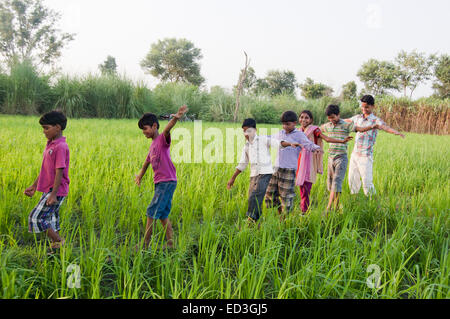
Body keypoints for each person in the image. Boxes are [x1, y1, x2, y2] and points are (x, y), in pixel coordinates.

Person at [135, 105, 188, 250]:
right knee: (163, 214)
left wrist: (176, 118)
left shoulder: (162, 140)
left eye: (145, 129)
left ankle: (145, 243)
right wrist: (140, 175)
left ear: (154, 126)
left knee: (151, 211)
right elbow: (147, 162)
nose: (144, 132)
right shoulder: (152, 145)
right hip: (162, 183)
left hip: (166, 181)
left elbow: (166, 129)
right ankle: (171, 243)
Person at [25, 111, 70, 250]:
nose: (44, 131)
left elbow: (59, 170)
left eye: (46, 128)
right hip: (50, 189)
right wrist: (34, 185)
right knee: (51, 218)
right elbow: (46, 168)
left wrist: (53, 194)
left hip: (56, 190)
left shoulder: (60, 147)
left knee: (36, 218)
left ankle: (60, 241)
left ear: (58, 127)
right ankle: (57, 248)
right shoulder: (50, 144)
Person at [345, 95, 405, 196]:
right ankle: (354, 200)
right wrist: (334, 120)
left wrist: (395, 132)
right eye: (362, 107)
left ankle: (373, 203)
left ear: (373, 106)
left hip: (366, 156)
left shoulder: (375, 120)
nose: (364, 109)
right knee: (352, 180)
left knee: (367, 182)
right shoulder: (357, 118)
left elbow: (384, 127)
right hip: (355, 154)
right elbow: (345, 121)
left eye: (366, 107)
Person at [321, 105, 377, 213]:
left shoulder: (346, 125)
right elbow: (318, 130)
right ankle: (336, 208)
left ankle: (328, 209)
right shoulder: (328, 125)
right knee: (331, 184)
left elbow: (359, 129)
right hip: (330, 157)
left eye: (333, 117)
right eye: (329, 118)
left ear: (338, 115)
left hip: (341, 157)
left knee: (336, 183)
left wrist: (371, 126)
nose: (331, 120)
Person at [264, 111, 321, 216]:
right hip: (276, 168)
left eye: (287, 124)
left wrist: (316, 148)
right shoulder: (280, 133)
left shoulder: (299, 135)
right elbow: (270, 138)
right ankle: (280, 212)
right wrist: (257, 137)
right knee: (270, 193)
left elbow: (308, 144)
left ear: (294, 123)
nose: (284, 126)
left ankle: (285, 218)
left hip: (289, 169)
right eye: (283, 124)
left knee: (286, 195)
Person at [227, 118, 283, 224]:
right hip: (254, 174)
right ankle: (259, 220)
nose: (246, 133)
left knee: (255, 195)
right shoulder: (247, 146)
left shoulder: (262, 139)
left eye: (249, 130)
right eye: (244, 131)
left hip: (266, 172)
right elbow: (242, 163)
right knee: (253, 196)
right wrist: (232, 178)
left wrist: (289, 143)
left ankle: (251, 221)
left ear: (255, 130)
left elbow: (277, 143)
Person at [296, 110, 353, 213]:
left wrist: (341, 141)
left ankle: (304, 212)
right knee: (301, 189)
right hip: (299, 163)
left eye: (306, 117)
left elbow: (326, 138)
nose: (303, 119)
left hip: (310, 163)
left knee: (306, 189)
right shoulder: (298, 131)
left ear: (311, 120)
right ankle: (304, 210)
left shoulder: (314, 130)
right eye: (302, 117)